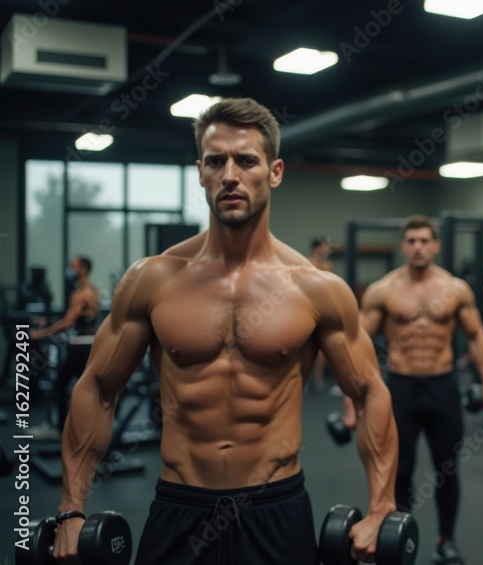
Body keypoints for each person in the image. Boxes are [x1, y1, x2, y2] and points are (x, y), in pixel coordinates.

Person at [52, 98, 398, 565]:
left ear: (274, 172)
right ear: (200, 172)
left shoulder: (317, 289)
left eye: (246, 160)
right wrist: (71, 509)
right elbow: (96, 387)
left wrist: (381, 507)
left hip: (276, 508)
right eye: (216, 161)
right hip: (180, 506)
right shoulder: (153, 278)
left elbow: (369, 392)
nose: (230, 174)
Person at [346, 215, 483, 565]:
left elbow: (476, 336)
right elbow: (355, 343)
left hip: (443, 385)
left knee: (448, 467)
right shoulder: (383, 290)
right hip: (400, 386)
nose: (418, 247)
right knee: (399, 469)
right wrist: (351, 399)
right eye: (411, 240)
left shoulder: (456, 289)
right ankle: (400, 535)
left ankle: (446, 540)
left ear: (436, 245)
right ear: (403, 245)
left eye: (424, 240)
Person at [28, 256, 100, 439]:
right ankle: (86, 429)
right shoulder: (91, 289)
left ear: (83, 269)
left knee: (60, 385)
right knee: (84, 389)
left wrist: (41, 333)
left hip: (80, 346)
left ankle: (59, 429)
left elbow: (68, 322)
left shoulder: (80, 293)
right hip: (87, 345)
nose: (69, 269)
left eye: (73, 266)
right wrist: (49, 323)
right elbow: (77, 319)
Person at [308, 237, 336, 392]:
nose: (326, 250)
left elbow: (329, 287)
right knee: (305, 347)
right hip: (307, 306)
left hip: (323, 307)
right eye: (324, 247)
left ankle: (318, 381)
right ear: (317, 248)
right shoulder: (306, 263)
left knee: (322, 348)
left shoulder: (328, 265)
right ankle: (304, 381)